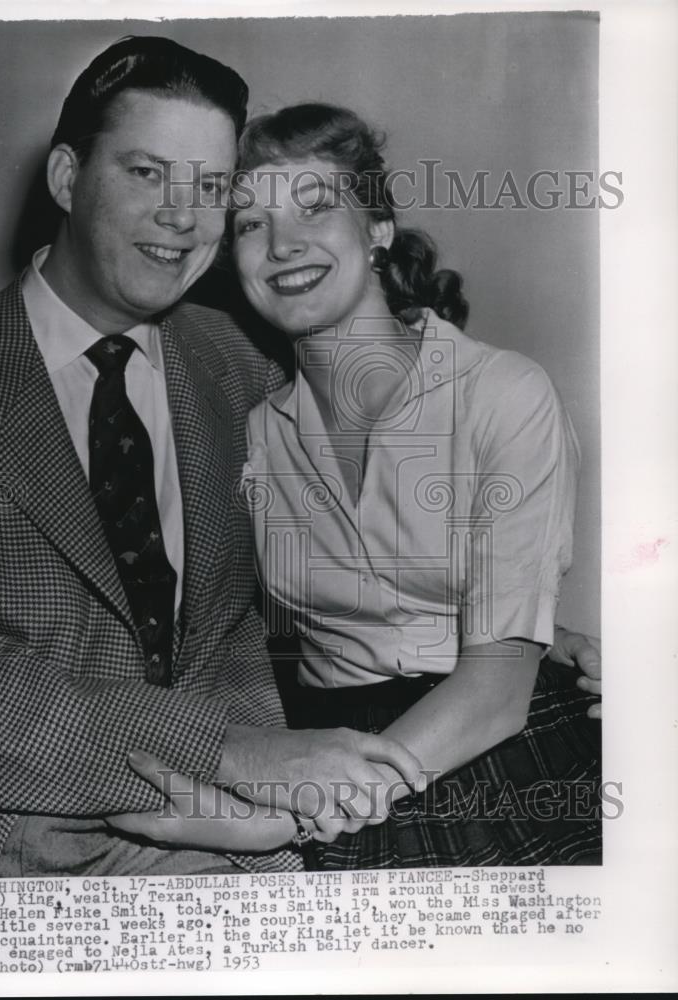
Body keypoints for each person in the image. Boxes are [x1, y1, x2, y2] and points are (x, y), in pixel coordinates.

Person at [0, 38, 601, 877]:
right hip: (14, 842)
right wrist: (237, 756)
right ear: (64, 179)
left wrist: (528, 631)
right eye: (144, 172)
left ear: (378, 226)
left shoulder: (236, 363)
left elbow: (389, 548)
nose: (180, 215)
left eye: (207, 189)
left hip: (268, 831)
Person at [118, 103, 603, 867]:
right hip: (329, 748)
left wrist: (303, 815)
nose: (283, 246)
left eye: (316, 209)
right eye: (250, 225)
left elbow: (498, 690)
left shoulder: (503, 392)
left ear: (377, 229)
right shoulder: (245, 434)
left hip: (494, 746)